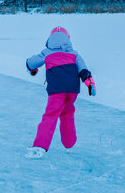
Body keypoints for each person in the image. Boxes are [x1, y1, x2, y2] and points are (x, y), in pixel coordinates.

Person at [24, 26, 95, 159]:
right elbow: (83, 70)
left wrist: (32, 69)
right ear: (68, 39)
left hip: (56, 90)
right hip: (72, 90)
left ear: (50, 39)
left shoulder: (47, 52)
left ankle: (40, 145)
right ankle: (69, 143)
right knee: (67, 113)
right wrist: (90, 83)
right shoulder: (74, 54)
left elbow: (31, 63)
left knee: (51, 115)